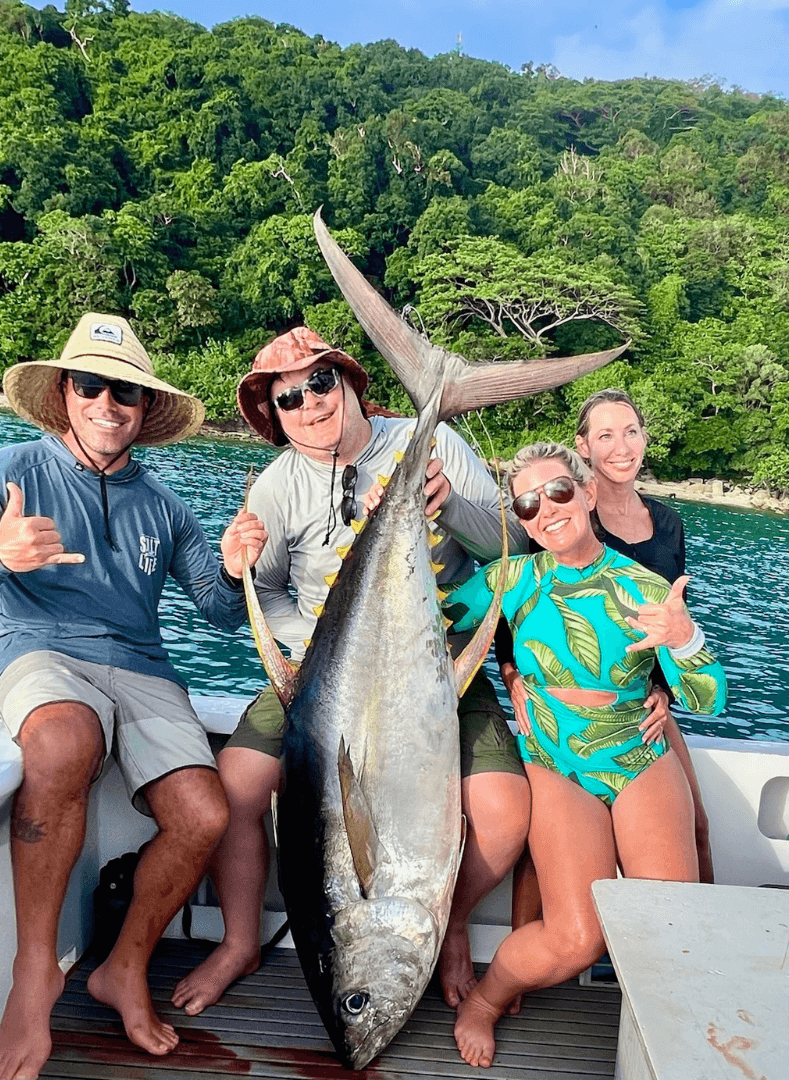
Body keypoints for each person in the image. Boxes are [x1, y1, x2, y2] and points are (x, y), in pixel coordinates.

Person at [0, 313, 267, 1080]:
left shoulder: (165, 506)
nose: (107, 402)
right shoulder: (8, 470)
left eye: (123, 390)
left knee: (203, 812)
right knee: (64, 743)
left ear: (143, 406)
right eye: (90, 384)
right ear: (64, 392)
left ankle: (122, 967)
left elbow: (220, 613)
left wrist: (233, 569)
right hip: (40, 652)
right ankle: (35, 973)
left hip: (143, 667)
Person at [170, 326, 531, 1017]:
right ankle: (240, 942)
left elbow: (503, 550)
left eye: (319, 383)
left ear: (349, 383)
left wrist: (448, 503)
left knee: (505, 815)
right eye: (287, 399)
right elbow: (264, 591)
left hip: (436, 660)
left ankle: (447, 924)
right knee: (236, 791)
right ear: (272, 416)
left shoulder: (434, 444)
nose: (308, 403)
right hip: (317, 671)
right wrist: (250, 578)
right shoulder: (277, 487)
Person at [444, 442, 726, 1068]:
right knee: (576, 941)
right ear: (517, 519)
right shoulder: (507, 581)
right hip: (555, 764)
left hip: (637, 754)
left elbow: (708, 697)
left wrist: (682, 641)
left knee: (671, 928)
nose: (545, 509)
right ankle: (486, 1002)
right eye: (527, 502)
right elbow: (428, 618)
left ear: (589, 493)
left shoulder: (644, 588)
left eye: (559, 491)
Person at [574, 387, 714, 881]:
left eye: (631, 432)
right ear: (583, 446)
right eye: (606, 435)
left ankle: (701, 952)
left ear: (645, 439)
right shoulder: (569, 518)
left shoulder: (668, 522)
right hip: (583, 704)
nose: (622, 446)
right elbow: (526, 603)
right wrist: (510, 674)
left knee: (697, 828)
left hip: (646, 701)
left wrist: (665, 693)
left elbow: (672, 623)